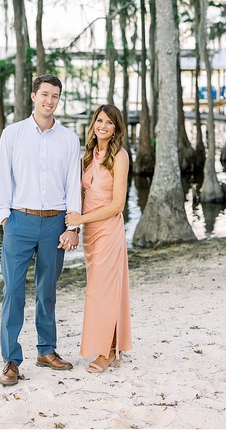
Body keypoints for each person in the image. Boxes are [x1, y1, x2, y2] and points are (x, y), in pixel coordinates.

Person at [0, 74, 82, 387]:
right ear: (33, 96)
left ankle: (46, 350)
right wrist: (5, 218)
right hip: (20, 220)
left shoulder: (69, 140)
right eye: (45, 94)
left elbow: (74, 186)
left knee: (47, 291)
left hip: (55, 223)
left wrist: (73, 227)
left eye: (55, 96)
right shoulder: (14, 134)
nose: (50, 100)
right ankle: (11, 361)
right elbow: (2, 178)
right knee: (13, 292)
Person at [65, 104, 132, 373]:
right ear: (93, 124)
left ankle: (106, 353)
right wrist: (76, 229)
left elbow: (118, 205)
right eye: (99, 120)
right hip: (91, 234)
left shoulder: (120, 157)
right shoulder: (88, 156)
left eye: (109, 122)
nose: (103, 126)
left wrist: (79, 219)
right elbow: (82, 195)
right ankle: (113, 347)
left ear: (116, 128)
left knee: (101, 292)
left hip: (109, 231)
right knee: (102, 291)